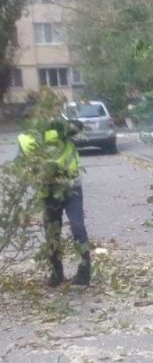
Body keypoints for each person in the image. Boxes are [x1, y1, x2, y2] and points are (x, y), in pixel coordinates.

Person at [17, 114, 90, 287]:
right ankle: (57, 273)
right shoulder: (25, 139)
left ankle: (84, 273)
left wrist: (58, 125)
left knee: (77, 227)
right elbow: (22, 164)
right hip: (48, 191)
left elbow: (78, 125)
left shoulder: (60, 130)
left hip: (71, 187)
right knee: (52, 233)